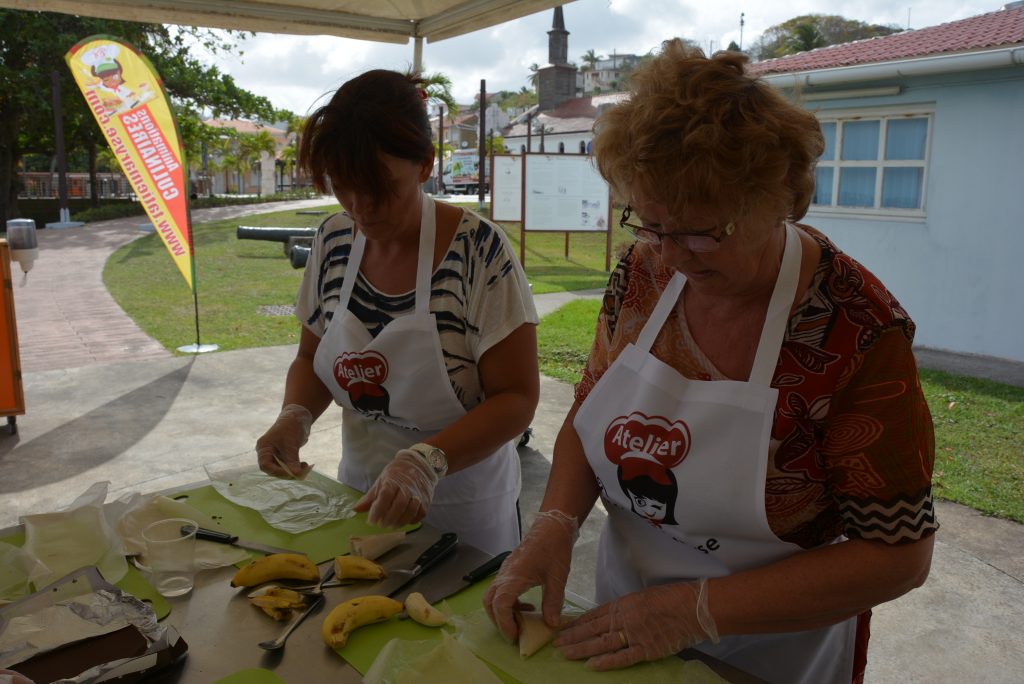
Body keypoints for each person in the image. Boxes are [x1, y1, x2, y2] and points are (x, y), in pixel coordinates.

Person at [484, 40, 937, 683]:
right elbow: (591, 418)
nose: (672, 257)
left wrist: (694, 611)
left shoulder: (856, 331)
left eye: (703, 231)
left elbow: (899, 558)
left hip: (773, 648)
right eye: (650, 224)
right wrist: (555, 522)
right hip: (624, 613)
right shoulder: (642, 275)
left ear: (780, 198)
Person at [255, 70, 539, 555]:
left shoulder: (479, 251)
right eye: (343, 186)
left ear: (426, 164)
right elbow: (312, 357)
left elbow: (516, 397)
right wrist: (294, 416)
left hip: (464, 507)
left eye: (381, 186)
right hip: (359, 493)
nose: (361, 207)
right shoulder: (333, 239)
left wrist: (427, 462)